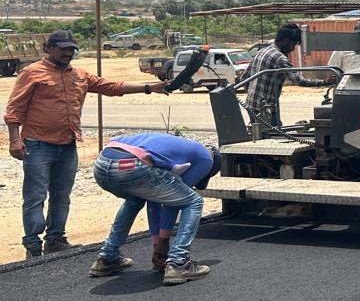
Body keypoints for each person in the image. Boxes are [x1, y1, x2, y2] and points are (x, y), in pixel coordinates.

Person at [5, 31, 168, 259]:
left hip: (67, 145)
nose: (68, 53)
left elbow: (111, 86)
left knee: (62, 195)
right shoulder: (32, 72)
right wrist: (15, 139)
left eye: (71, 49)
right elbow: (14, 108)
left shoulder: (79, 75)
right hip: (38, 145)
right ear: (48, 48)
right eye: (63, 48)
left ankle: (55, 240)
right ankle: (33, 246)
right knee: (35, 196)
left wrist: (149, 87)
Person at [87, 133, 221, 285]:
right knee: (193, 202)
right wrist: (163, 241)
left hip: (102, 163)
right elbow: (172, 203)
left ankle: (107, 258)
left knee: (134, 200)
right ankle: (178, 263)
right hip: (132, 165)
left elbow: (156, 197)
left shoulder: (177, 150)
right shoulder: (206, 159)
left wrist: (157, 243)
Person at [244, 23, 334, 127]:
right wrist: (326, 82)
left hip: (252, 104)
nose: (293, 49)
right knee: (274, 134)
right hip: (265, 108)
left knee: (260, 132)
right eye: (293, 44)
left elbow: (245, 78)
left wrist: (255, 95)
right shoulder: (279, 58)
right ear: (286, 40)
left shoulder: (262, 51)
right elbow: (299, 81)